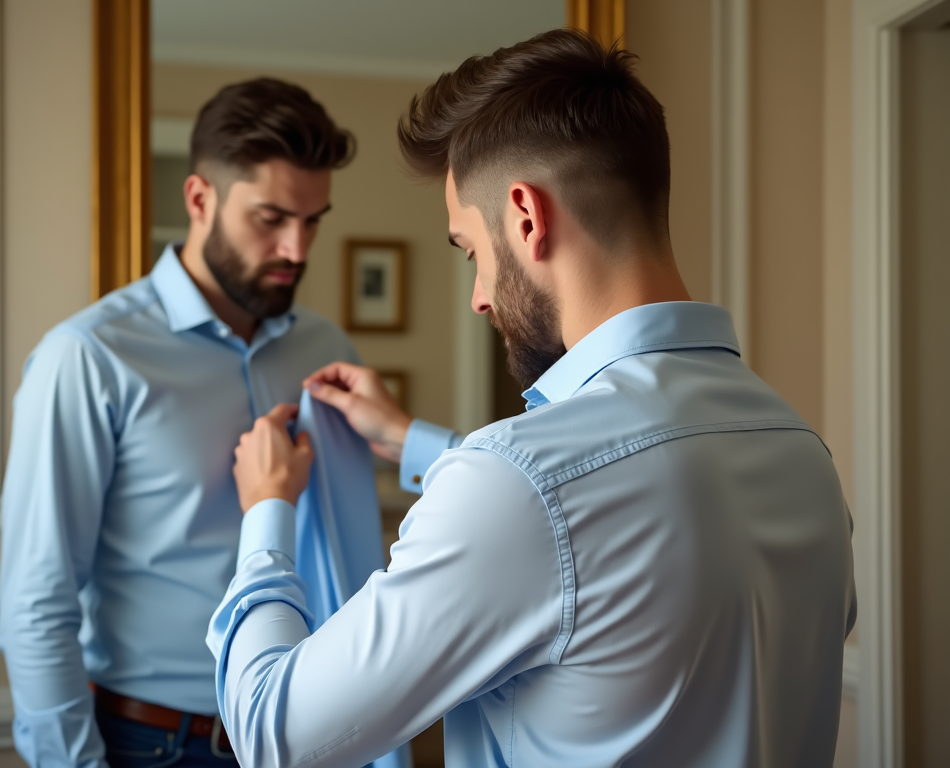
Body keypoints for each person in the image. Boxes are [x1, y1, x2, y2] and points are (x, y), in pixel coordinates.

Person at [208, 30, 857, 768]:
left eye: (470, 253)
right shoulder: (801, 452)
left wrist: (266, 511)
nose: (479, 299)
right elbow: (605, 525)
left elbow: (272, 731)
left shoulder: (515, 483)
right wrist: (413, 440)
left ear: (526, 217)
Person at [0, 78, 401, 768]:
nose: (298, 250)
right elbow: (38, 604)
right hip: (153, 743)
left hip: (314, 734)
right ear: (198, 199)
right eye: (271, 218)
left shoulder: (329, 353)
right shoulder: (90, 358)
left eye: (313, 221)